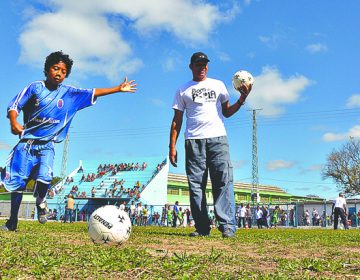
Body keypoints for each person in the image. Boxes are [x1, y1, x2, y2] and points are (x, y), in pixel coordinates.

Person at [0, 51, 137, 231]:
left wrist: (118, 89)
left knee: (45, 177)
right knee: (17, 185)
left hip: (47, 146)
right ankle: (12, 222)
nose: (59, 73)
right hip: (25, 145)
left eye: (63, 71)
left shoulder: (70, 94)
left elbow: (94, 92)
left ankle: (40, 201)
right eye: (55, 68)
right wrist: (14, 121)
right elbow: (14, 105)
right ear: (47, 69)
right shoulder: (35, 88)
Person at [169, 52, 252, 238]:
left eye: (205, 64)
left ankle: (228, 226)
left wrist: (242, 99)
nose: (202, 68)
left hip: (218, 139)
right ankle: (202, 227)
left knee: (222, 182)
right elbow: (176, 120)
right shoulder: (183, 90)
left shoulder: (218, 85)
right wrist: (172, 147)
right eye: (198, 64)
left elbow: (227, 112)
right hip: (193, 141)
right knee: (196, 185)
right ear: (191, 66)